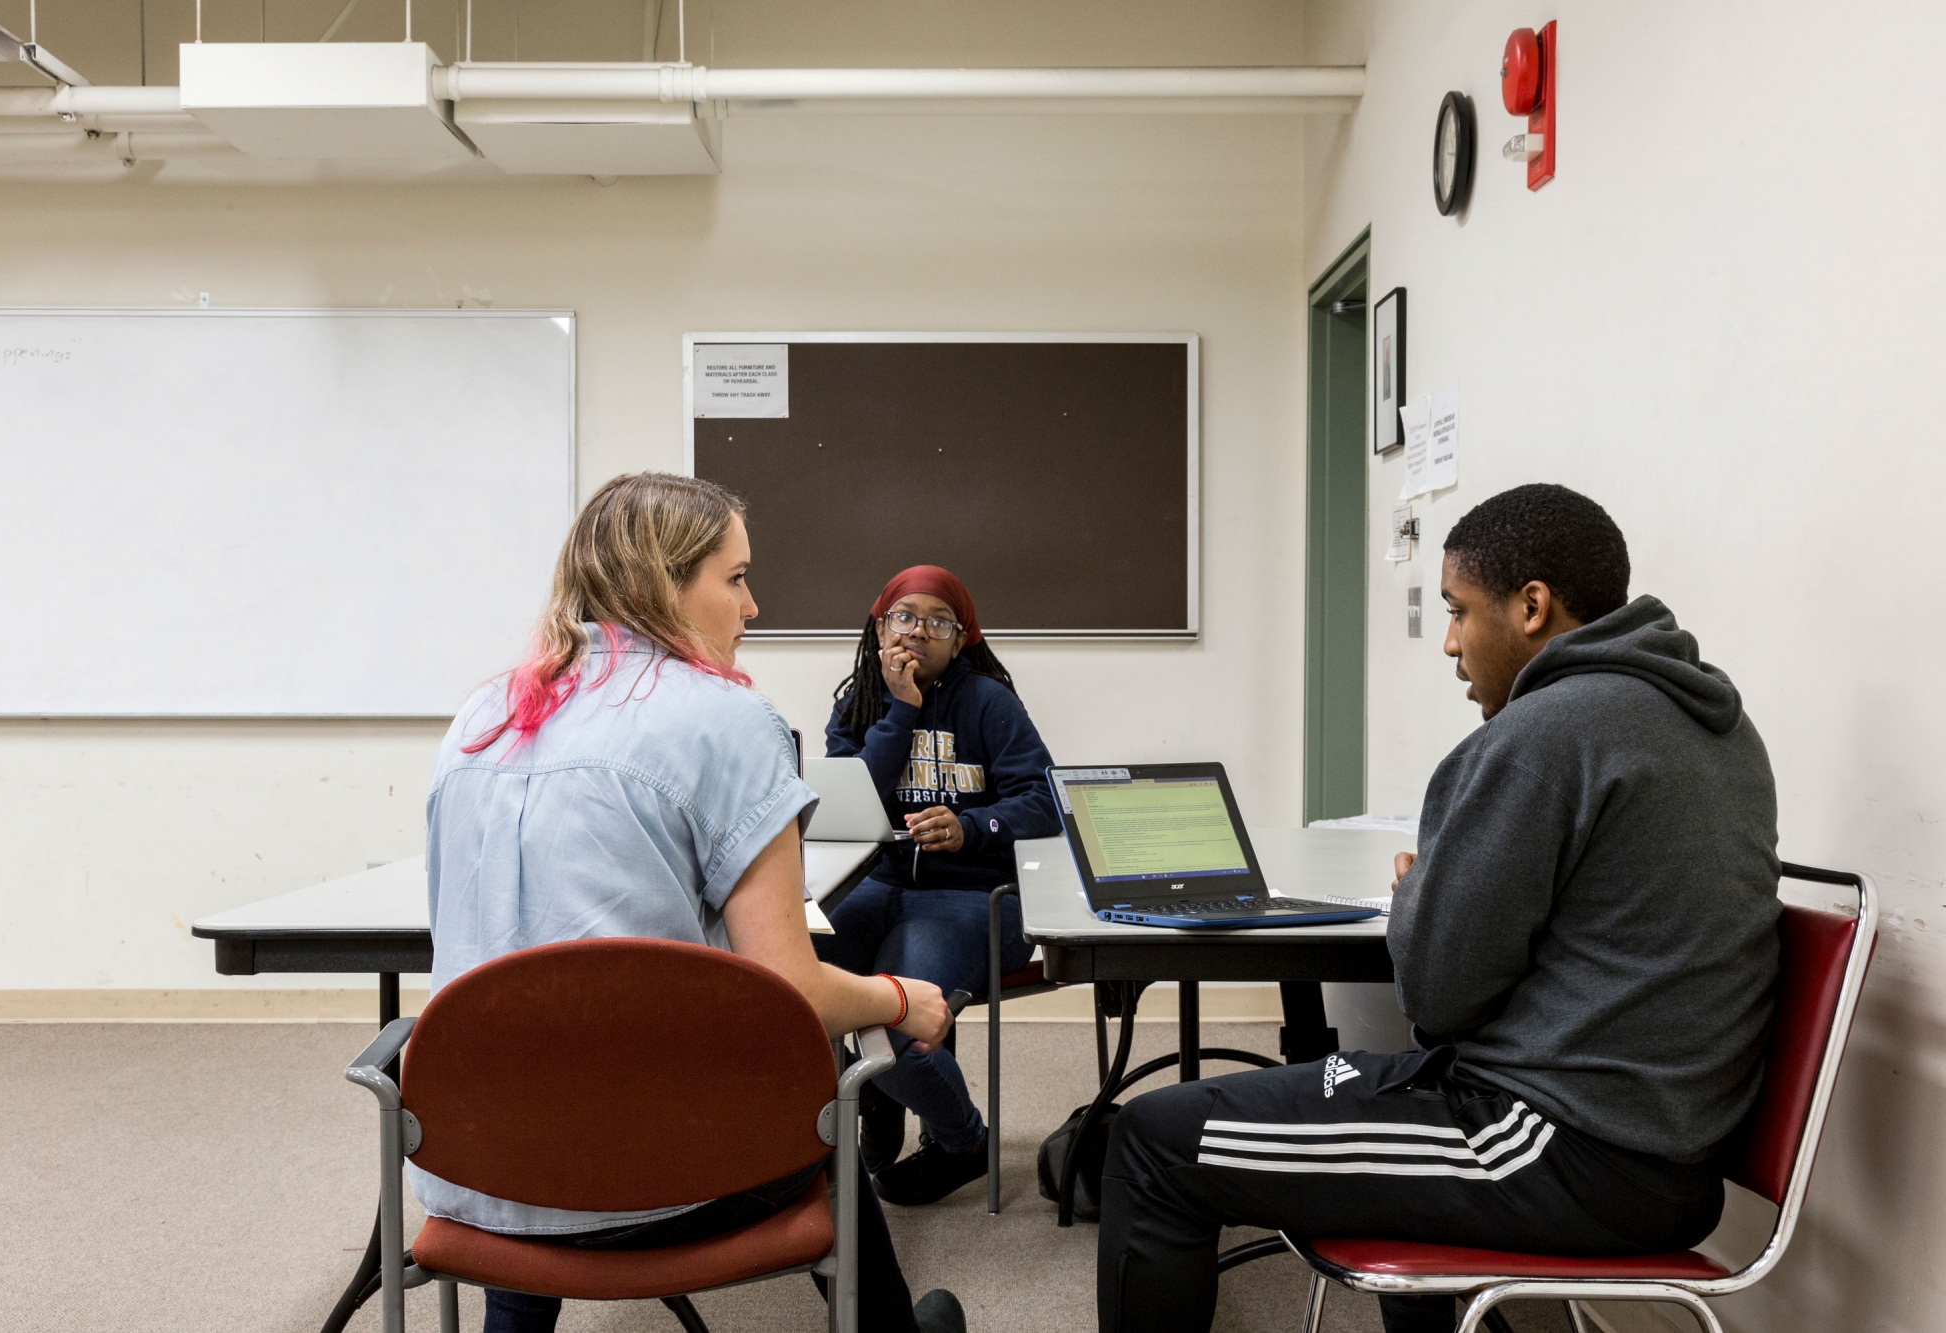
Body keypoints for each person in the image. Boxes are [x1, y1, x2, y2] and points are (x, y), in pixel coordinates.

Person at [1095, 483, 1783, 1333]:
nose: (1451, 644)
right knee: (1304, 1094)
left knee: (1153, 1143)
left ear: (1532, 607)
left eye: (1459, 611)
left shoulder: (1543, 735)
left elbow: (1437, 998)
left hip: (1558, 1146)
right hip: (1657, 1143)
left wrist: (1420, 888)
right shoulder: (1716, 722)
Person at [421, 472, 968, 1333]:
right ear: (661, 582)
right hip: (674, 1172)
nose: (752, 607)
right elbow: (791, 989)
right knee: (823, 1104)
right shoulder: (727, 720)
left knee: (545, 1084)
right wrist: (904, 999)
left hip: (484, 1168)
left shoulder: (482, 714)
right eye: (736, 577)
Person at [816, 565, 1062, 1206]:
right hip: (877, 886)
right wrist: (901, 712)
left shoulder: (989, 703)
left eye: (937, 622)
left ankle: (964, 1142)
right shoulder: (860, 701)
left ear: (962, 639)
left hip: (973, 898)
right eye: (904, 617)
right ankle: (868, 1085)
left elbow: (1045, 801)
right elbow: (851, 801)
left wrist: (973, 826)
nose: (917, 632)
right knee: (779, 984)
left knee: (900, 1033)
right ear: (878, 628)